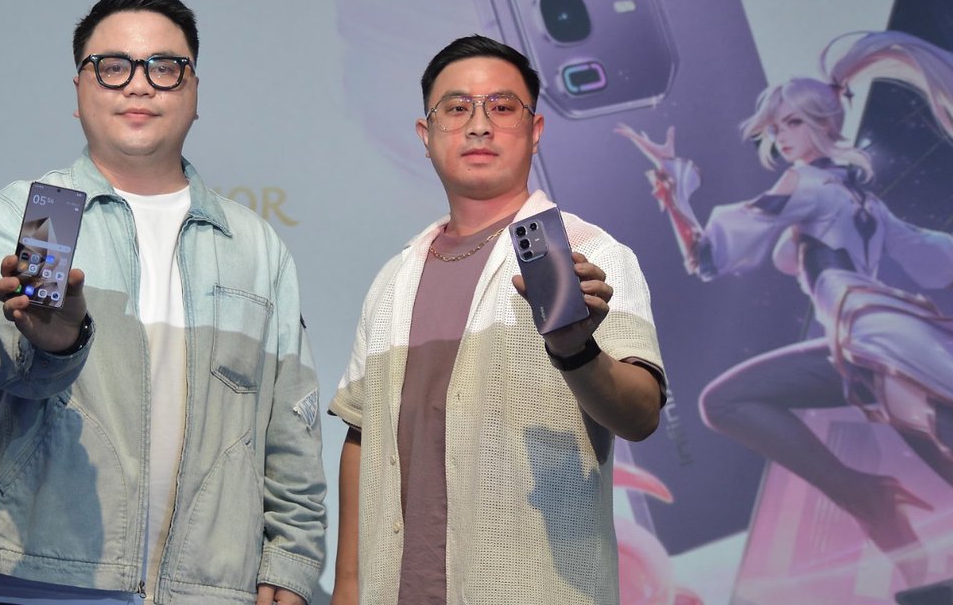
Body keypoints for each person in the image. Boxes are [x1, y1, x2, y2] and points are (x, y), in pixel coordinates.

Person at [0, 0, 326, 605]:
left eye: (164, 68)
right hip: (51, 576)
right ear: (80, 90)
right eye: (113, 67)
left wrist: (291, 564)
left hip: (212, 588)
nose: (138, 85)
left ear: (194, 91)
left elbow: (291, 424)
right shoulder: (42, 212)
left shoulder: (252, 245)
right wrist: (55, 344)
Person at [329, 35, 666, 605]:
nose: (479, 126)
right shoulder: (393, 279)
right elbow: (362, 435)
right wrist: (347, 585)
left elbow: (641, 416)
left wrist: (577, 351)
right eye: (457, 108)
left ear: (535, 131)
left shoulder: (593, 254)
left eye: (502, 107)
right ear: (426, 135)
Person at [617, 30, 953, 582]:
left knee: (728, 402)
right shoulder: (860, 198)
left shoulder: (807, 186)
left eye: (792, 123)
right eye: (775, 128)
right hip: (870, 340)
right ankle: (878, 514)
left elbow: (708, 257)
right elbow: (932, 257)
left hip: (871, 340)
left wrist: (675, 191)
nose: (781, 137)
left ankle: (866, 498)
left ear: (824, 124)